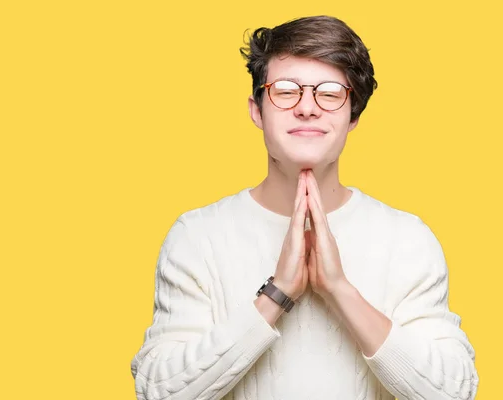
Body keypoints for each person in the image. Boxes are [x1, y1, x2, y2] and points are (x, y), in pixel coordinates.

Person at [130, 15, 479, 400]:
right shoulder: (197, 237)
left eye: (329, 93)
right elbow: (158, 391)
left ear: (354, 116)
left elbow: (454, 392)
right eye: (285, 90)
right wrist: (277, 294)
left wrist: (339, 290)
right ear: (257, 110)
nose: (307, 108)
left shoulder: (408, 239)